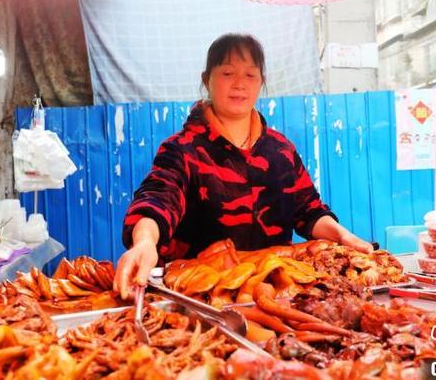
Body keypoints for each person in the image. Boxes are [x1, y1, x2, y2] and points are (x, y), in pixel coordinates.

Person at [114, 33, 373, 299]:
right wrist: (145, 241)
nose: (239, 84)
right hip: (199, 297)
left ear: (262, 82)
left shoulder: (281, 150)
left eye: (250, 75)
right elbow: (158, 199)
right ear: (207, 79)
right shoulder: (182, 149)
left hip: (272, 294)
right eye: (227, 73)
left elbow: (308, 210)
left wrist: (342, 236)